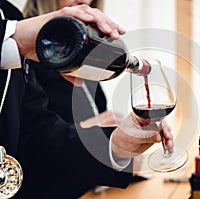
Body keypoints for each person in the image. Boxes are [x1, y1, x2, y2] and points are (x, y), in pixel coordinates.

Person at [0, 1, 174, 198]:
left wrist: (114, 145)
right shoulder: (19, 30)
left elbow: (35, 139)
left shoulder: (8, 13)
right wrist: (12, 36)